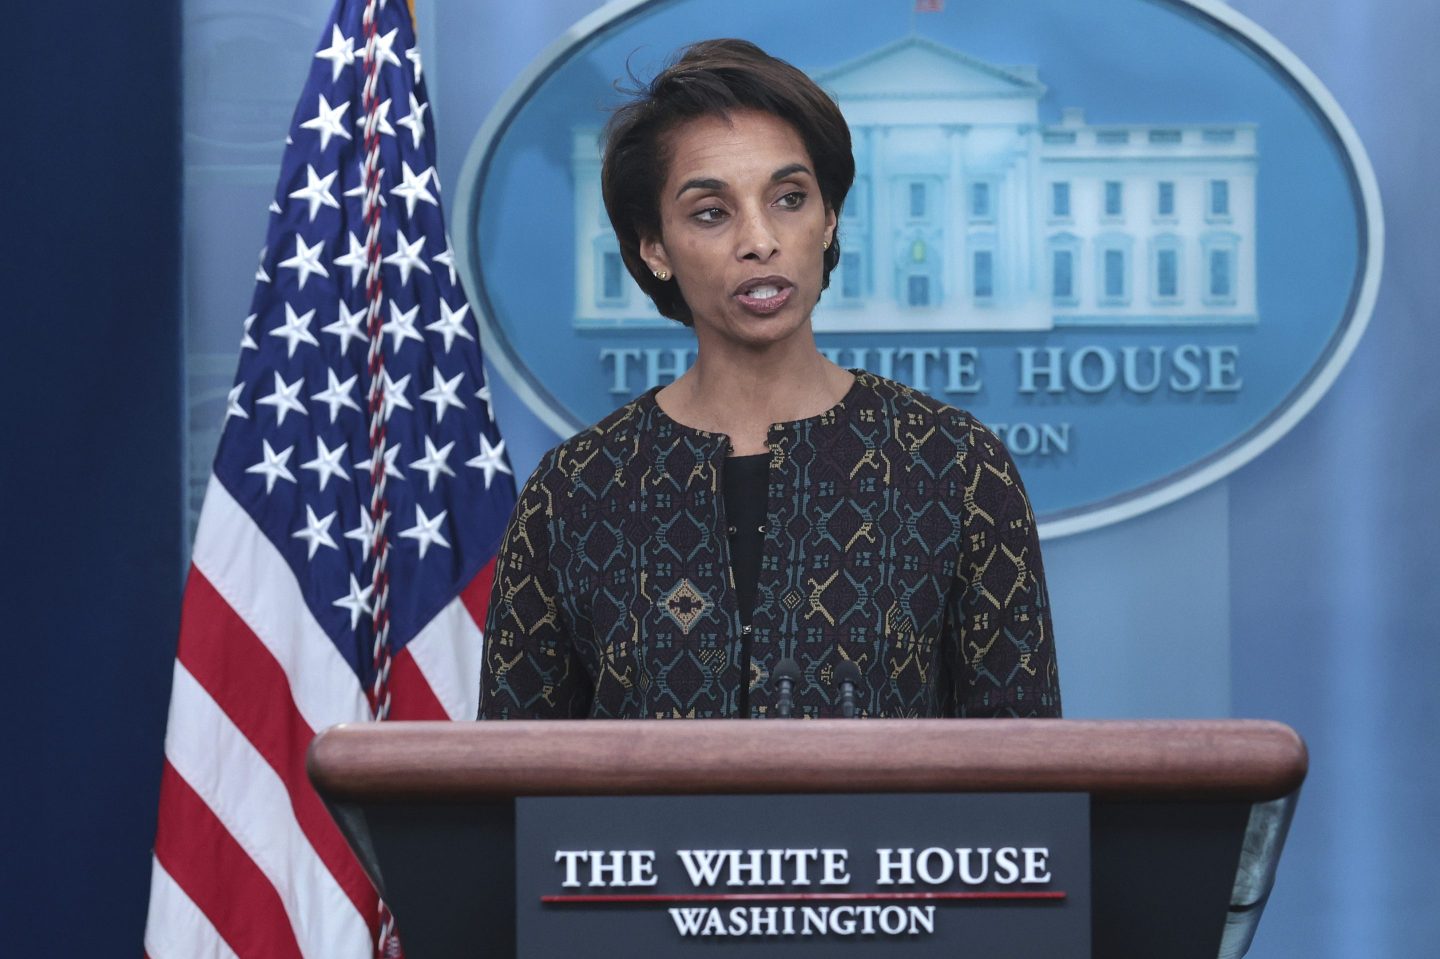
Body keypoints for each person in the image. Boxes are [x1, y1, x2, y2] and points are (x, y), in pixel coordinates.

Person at [478, 39, 1060, 720]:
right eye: (711, 211)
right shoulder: (573, 494)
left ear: (829, 218)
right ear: (654, 246)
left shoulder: (955, 467)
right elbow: (513, 771)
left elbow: (1026, 765)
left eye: (789, 198)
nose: (760, 240)